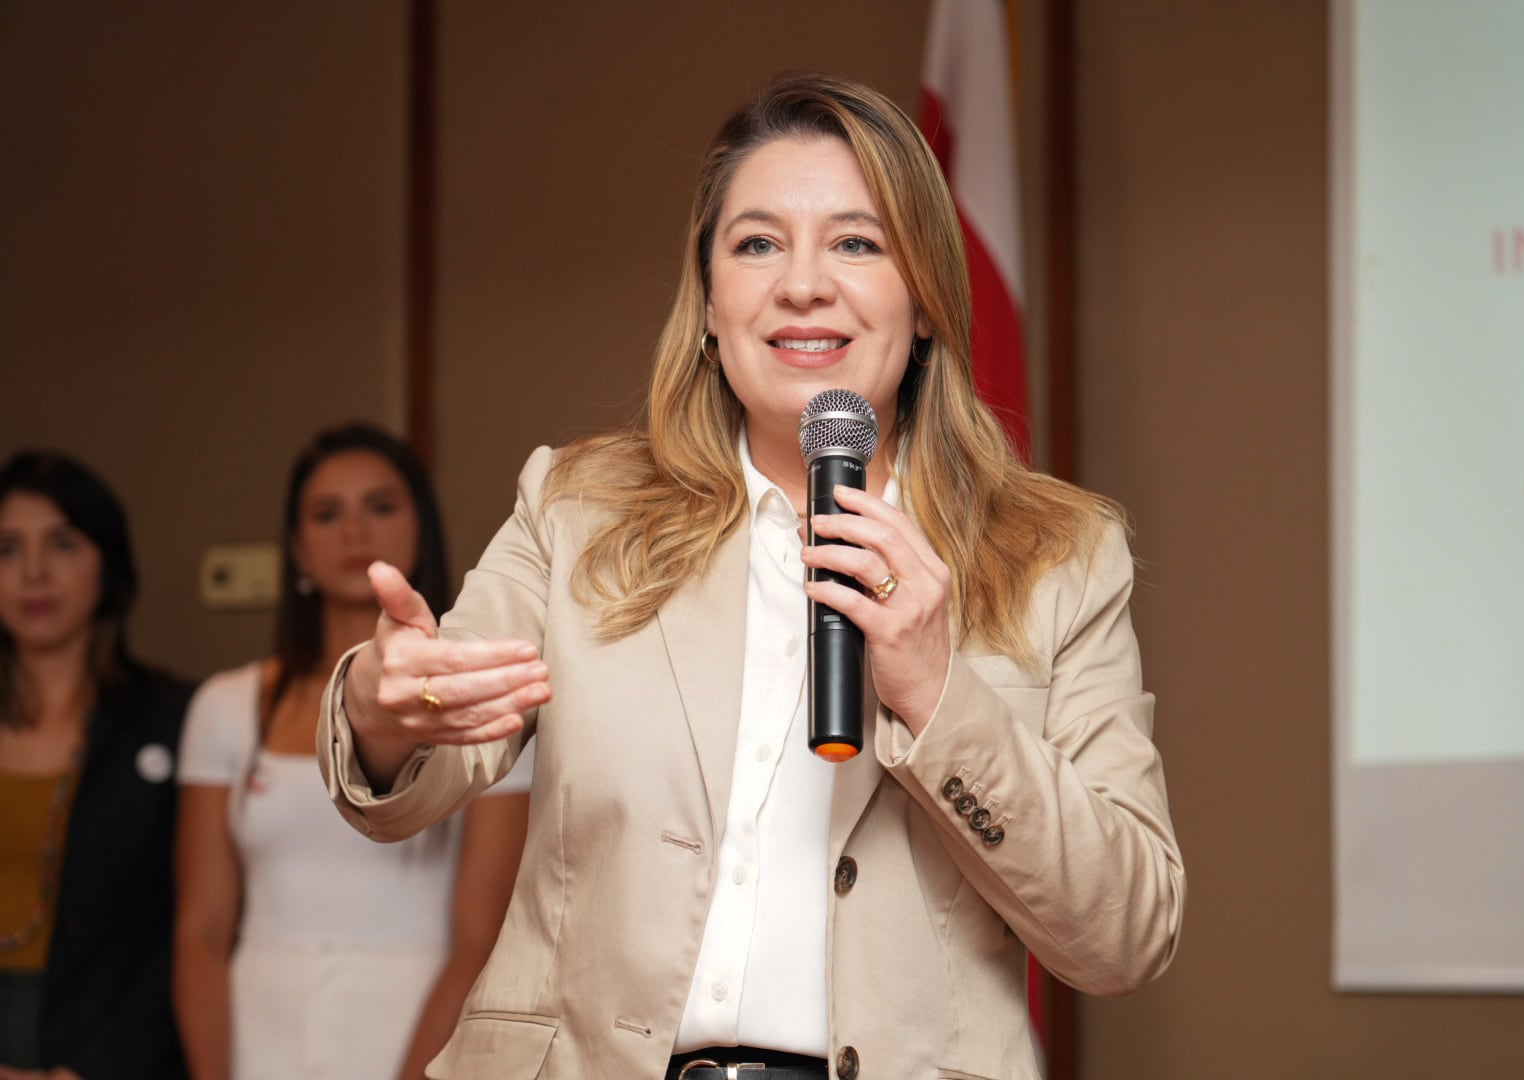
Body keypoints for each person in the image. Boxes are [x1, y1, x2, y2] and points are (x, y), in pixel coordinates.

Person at [319, 74, 1185, 1080]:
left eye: (855, 243)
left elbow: (1122, 936)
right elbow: (417, 767)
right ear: (708, 303)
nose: (802, 284)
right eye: (757, 243)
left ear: (926, 307)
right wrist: (388, 711)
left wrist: (939, 698)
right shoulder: (577, 506)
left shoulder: (1058, 558)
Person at [171, 423, 532, 1080]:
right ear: (296, 549)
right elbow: (201, 926)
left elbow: (482, 934)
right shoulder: (226, 706)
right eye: (326, 513)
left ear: (421, 524)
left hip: (418, 1022)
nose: (354, 531)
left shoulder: (483, 697)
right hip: (256, 1023)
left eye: (381, 506)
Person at [0, 451, 193, 1080]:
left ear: (107, 565)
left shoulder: (174, 719)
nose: (33, 573)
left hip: (115, 1047)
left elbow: (187, 926)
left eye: (61, 544)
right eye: (7, 548)